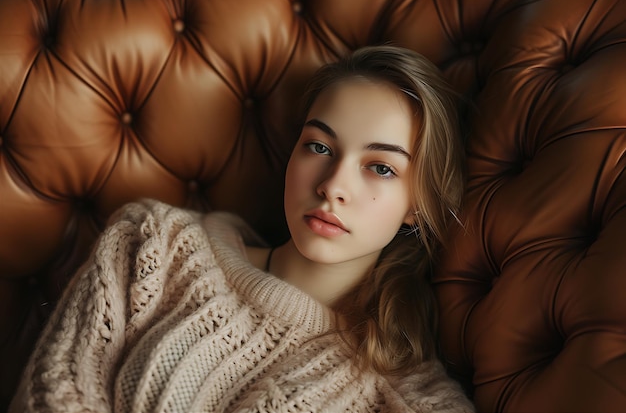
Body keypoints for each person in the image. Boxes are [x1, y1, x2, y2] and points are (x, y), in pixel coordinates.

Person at [9, 46, 473, 412]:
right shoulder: (153, 242)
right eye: (319, 146)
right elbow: (51, 394)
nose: (334, 186)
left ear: (418, 206)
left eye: (381, 168)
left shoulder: (406, 397)